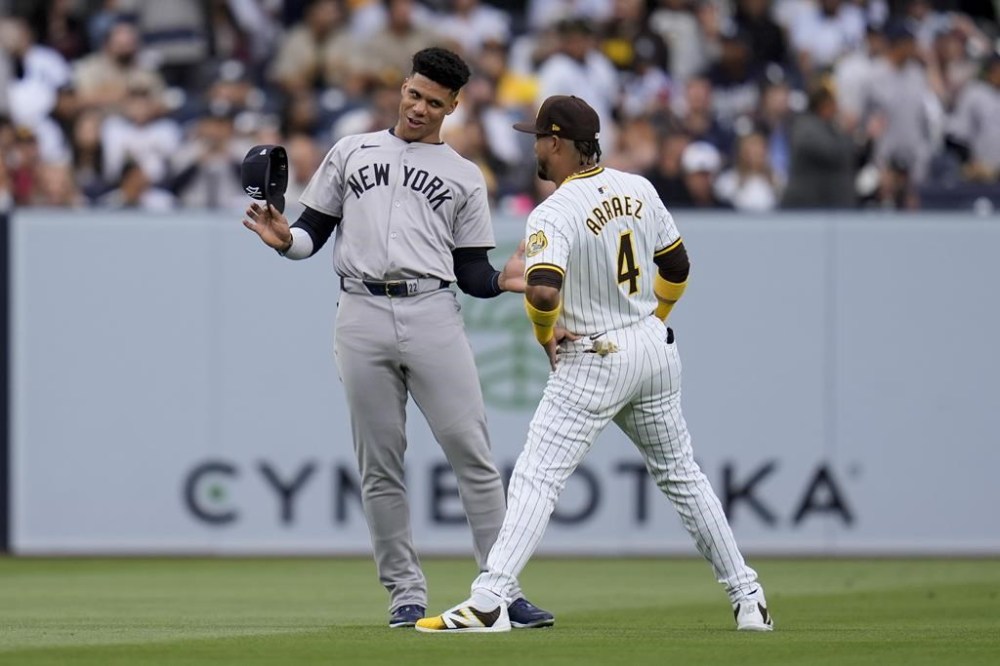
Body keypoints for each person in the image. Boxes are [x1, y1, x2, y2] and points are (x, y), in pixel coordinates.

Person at [415, 95, 773, 633]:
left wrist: (542, 335)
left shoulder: (553, 211)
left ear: (556, 143)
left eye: (538, 137)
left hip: (595, 355)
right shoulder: (639, 187)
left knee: (537, 477)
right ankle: (750, 597)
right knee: (683, 476)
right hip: (652, 348)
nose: (534, 146)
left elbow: (541, 291)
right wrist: (654, 317)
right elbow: (676, 266)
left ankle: (490, 601)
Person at [241, 47, 554, 631]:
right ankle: (404, 593)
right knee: (380, 463)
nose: (419, 108)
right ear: (403, 88)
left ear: (453, 107)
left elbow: (471, 273)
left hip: (433, 309)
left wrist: (506, 281)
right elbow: (311, 235)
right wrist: (285, 241)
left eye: (435, 103)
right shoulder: (351, 151)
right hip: (360, 309)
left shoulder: (463, 174)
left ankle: (500, 589)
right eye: (414, 94)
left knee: (474, 456)